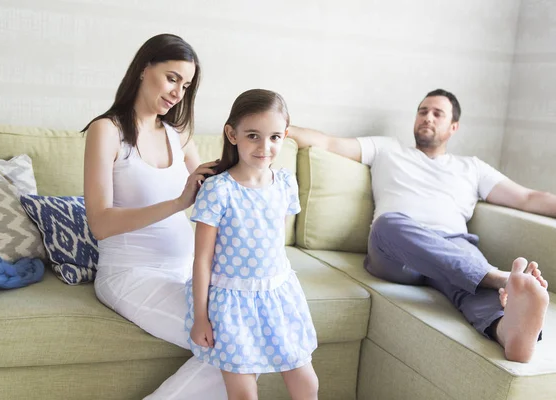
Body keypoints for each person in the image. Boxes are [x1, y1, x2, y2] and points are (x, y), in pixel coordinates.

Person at [288, 89, 551, 363]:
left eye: (438, 114)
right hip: (396, 249)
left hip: (453, 247)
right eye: (423, 111)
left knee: (475, 286)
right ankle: (498, 276)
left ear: (453, 127)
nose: (428, 118)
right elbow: (328, 143)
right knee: (388, 223)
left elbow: (528, 197)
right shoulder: (386, 149)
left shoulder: (471, 167)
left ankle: (509, 333)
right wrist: (277, 127)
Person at [82, 34, 227, 399]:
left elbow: (213, 193)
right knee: (231, 348)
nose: (179, 92)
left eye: (187, 84)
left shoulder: (177, 135)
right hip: (131, 275)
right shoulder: (107, 131)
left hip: (186, 272)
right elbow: (99, 222)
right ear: (144, 68)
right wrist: (179, 202)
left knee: (244, 337)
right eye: (172, 78)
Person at [186, 89, 319, 399]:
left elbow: (277, 245)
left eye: (274, 137)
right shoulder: (218, 191)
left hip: (278, 298)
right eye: (253, 136)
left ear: (285, 136)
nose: (264, 146)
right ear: (233, 135)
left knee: (307, 382)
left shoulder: (285, 183)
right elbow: (202, 260)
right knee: (245, 393)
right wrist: (201, 317)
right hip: (231, 305)